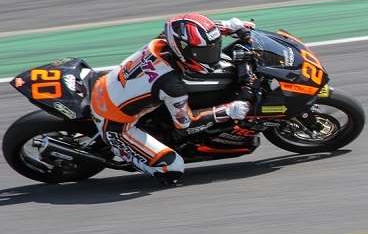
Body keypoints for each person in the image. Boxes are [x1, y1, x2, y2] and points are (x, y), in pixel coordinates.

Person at [89, 13, 256, 186]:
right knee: (173, 168)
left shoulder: (166, 40)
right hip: (113, 123)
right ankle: (121, 150)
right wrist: (229, 110)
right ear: (183, 51)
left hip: (107, 85)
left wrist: (229, 26)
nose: (211, 56)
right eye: (203, 53)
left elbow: (195, 34)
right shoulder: (172, 84)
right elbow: (186, 124)